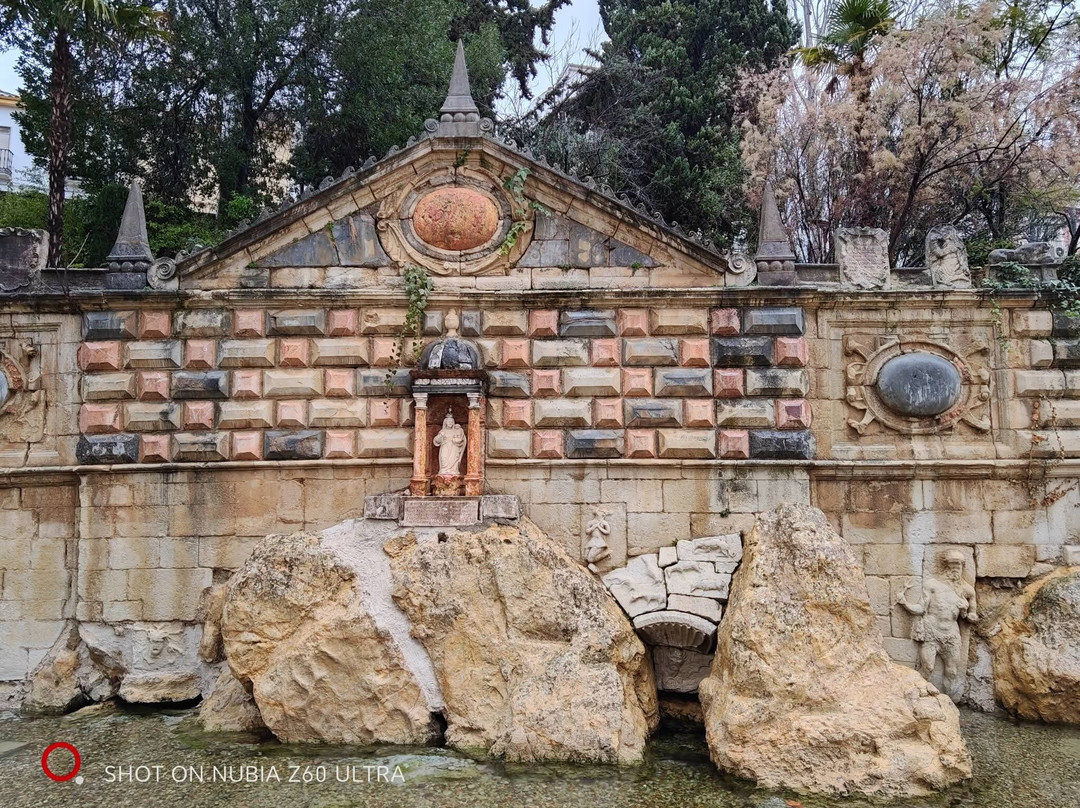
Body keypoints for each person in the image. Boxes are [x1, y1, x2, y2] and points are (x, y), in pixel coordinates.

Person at [896, 550, 978, 700]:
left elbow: (973, 616)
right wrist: (905, 603)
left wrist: (965, 610)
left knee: (952, 672)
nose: (956, 568)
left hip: (952, 635)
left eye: (959, 564)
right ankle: (916, 696)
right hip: (931, 632)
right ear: (945, 565)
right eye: (953, 564)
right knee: (927, 668)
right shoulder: (932, 585)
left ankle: (949, 702)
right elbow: (921, 608)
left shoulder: (967, 590)